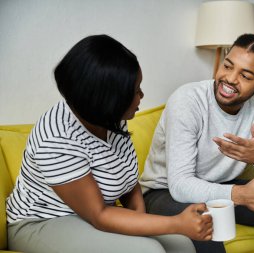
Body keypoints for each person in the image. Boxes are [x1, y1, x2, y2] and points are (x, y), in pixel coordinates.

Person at [6, 34, 213, 253]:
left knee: (181, 245)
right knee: (148, 250)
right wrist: (176, 223)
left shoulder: (110, 119)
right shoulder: (56, 139)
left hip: (95, 215)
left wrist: (144, 226)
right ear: (108, 101)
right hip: (42, 221)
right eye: (135, 91)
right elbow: (100, 215)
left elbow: (129, 183)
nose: (142, 95)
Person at [140, 34, 254, 253]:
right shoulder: (187, 100)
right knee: (206, 220)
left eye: (246, 75)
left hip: (221, 185)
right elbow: (180, 186)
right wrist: (241, 195)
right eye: (228, 66)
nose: (230, 79)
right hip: (163, 193)